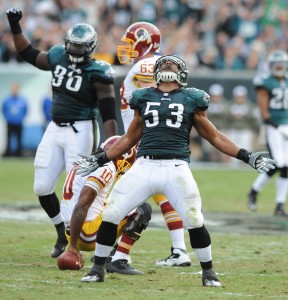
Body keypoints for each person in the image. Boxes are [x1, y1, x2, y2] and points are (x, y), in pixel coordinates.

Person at [74, 55, 276, 287]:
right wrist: (100, 158)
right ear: (156, 73)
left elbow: (215, 136)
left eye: (173, 64)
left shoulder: (191, 98)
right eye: (165, 64)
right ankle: (98, 269)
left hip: (176, 167)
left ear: (182, 72)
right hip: (144, 166)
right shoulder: (143, 97)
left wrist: (247, 156)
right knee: (111, 213)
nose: (168, 66)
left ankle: (208, 273)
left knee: (193, 218)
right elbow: (130, 137)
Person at [6, 8, 118, 258]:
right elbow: (29, 53)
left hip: (82, 130)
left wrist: (111, 146)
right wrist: (15, 26)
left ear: (90, 48)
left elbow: (109, 113)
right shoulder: (58, 56)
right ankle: (61, 232)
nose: (76, 52)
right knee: (42, 186)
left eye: (81, 47)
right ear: (67, 44)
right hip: (55, 127)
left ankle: (84, 245)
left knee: (76, 192)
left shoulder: (99, 72)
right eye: (73, 46)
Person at [116, 21, 191, 267]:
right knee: (163, 196)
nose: (126, 47)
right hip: (142, 140)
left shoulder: (146, 65)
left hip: (143, 141)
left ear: (144, 41)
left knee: (124, 195)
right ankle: (179, 250)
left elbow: (157, 99)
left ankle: (118, 252)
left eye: (130, 42)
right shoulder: (153, 64)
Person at [60, 136, 151, 275]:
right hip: (85, 234)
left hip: (70, 231)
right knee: (142, 208)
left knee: (112, 200)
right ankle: (118, 260)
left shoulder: (85, 162)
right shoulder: (105, 167)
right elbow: (81, 207)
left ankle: (107, 253)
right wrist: (72, 247)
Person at [247, 49, 288, 216]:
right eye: (276, 64)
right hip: (273, 126)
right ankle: (254, 190)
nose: (279, 67)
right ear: (270, 66)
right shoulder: (265, 82)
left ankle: (279, 205)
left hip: (286, 125)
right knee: (278, 163)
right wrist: (278, 127)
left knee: (286, 167)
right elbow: (264, 112)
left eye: (282, 64)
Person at [226, 85, 259, 165]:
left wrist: (244, 115)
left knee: (246, 149)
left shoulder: (250, 106)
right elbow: (225, 118)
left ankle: (245, 165)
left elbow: (254, 119)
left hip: (245, 130)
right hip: (233, 130)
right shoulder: (229, 105)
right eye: (237, 97)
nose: (239, 99)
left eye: (241, 97)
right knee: (231, 149)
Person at [2, 81, 28, 157]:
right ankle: (8, 153)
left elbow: (26, 110)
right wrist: (7, 118)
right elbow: (3, 109)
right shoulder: (7, 99)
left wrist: (21, 118)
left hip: (19, 122)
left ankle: (19, 153)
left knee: (19, 139)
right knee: (9, 138)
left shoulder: (22, 100)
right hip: (9, 122)